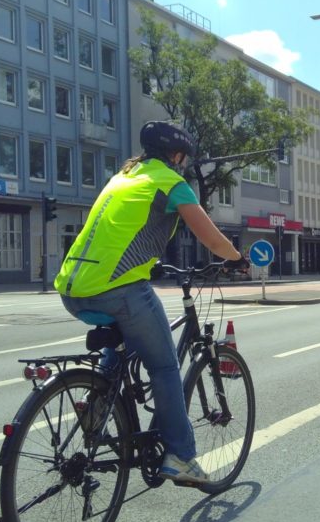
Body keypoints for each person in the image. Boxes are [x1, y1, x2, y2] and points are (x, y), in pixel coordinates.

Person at [54, 121, 246, 485]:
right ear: (175, 155)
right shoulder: (170, 182)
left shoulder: (123, 177)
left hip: (72, 287)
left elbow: (120, 231)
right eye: (183, 158)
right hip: (117, 287)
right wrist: (236, 258)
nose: (184, 164)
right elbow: (209, 236)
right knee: (164, 367)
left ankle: (97, 404)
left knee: (126, 339)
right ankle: (182, 457)